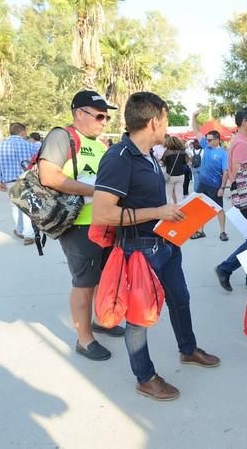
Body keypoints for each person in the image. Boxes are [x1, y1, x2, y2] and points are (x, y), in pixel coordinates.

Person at [92, 91, 220, 401]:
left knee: (181, 299)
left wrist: (175, 217)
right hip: (138, 250)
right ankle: (145, 377)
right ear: (153, 121)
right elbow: (103, 212)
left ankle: (188, 349)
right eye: (165, 121)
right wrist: (157, 213)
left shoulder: (149, 152)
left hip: (164, 242)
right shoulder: (118, 157)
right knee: (139, 317)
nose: (167, 127)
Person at [38, 90, 123, 361]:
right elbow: (48, 175)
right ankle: (84, 340)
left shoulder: (100, 144)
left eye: (106, 117)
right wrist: (96, 190)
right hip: (78, 224)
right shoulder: (62, 136)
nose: (103, 121)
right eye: (99, 115)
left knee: (101, 277)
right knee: (84, 283)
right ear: (79, 113)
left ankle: (99, 320)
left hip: (105, 221)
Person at [214, 107, 247, 292]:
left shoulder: (242, 142)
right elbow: (242, 175)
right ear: (243, 122)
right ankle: (226, 268)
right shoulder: (241, 145)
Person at [0, 122, 41, 245]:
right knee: (28, 206)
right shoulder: (29, 145)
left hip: (10, 182)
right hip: (27, 180)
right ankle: (29, 235)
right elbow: (39, 151)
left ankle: (19, 230)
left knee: (15, 206)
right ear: (23, 132)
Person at [191, 130, 229, 240]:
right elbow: (196, 131)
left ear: (217, 140)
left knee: (219, 209)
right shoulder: (207, 147)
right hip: (202, 184)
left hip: (214, 186)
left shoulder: (223, 153)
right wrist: (194, 116)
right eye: (206, 139)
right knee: (199, 207)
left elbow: (226, 172)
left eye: (210, 140)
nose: (207, 141)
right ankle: (200, 231)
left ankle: (223, 232)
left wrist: (222, 187)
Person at [161, 135, 187, 204]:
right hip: (181, 175)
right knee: (179, 195)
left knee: (168, 195)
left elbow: (163, 163)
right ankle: (180, 211)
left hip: (170, 176)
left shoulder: (167, 152)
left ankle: (170, 212)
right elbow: (185, 162)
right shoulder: (182, 152)